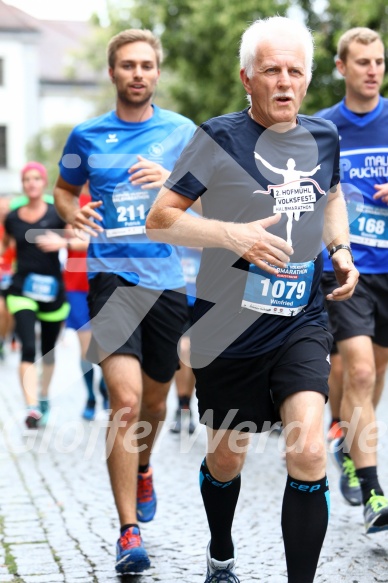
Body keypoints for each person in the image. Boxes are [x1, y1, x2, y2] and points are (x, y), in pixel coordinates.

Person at [146, 16, 359, 583]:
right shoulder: (217, 137)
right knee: (226, 458)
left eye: (295, 71)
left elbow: (331, 195)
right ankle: (220, 552)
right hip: (228, 328)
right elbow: (160, 220)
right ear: (247, 78)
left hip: (301, 317)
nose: (285, 81)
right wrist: (229, 235)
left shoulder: (324, 136)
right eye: (272, 70)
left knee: (310, 452)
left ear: (308, 79)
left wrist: (339, 247)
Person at [53, 29, 196, 575]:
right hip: (110, 277)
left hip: (166, 281)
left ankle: (143, 466)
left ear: (156, 73)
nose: (137, 73)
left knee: (156, 403)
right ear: (112, 73)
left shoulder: (182, 131)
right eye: (127, 65)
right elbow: (67, 189)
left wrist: (173, 182)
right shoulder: (86, 135)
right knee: (127, 402)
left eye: (146, 65)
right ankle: (128, 530)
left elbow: (209, 193)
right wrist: (71, 211)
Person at [318, 27, 388, 528]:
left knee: (376, 373)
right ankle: (374, 493)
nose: (372, 70)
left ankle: (346, 436)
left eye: (379, 62)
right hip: (347, 267)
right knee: (358, 371)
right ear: (341, 67)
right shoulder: (322, 129)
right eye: (362, 62)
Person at [0, 162, 69, 428]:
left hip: (53, 291)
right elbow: (6, 244)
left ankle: (43, 397)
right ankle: (31, 407)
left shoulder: (56, 213)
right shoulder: (13, 217)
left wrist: (61, 242)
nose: (31, 183)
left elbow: (77, 237)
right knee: (28, 346)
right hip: (21, 290)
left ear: (43, 182)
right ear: (22, 184)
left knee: (47, 352)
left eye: (36, 178)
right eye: (26, 179)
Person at [35, 190, 110, 420]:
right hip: (77, 286)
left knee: (108, 349)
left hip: (106, 283)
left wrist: (73, 240)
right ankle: (91, 396)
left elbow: (100, 239)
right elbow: (74, 237)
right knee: (87, 350)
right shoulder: (71, 202)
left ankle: (107, 391)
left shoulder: (110, 197)